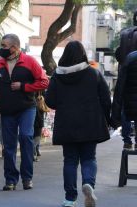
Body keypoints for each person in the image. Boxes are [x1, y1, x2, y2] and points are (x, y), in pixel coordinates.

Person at [45, 41, 111, 207]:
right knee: (89, 157)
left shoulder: (57, 76)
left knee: (70, 161)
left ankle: (70, 198)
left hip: (67, 124)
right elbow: (105, 98)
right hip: (90, 123)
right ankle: (88, 184)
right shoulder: (93, 74)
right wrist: (109, 119)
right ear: (82, 55)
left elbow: (50, 101)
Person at [0, 34, 49, 191]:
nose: (1, 48)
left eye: (4, 46)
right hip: (7, 111)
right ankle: (10, 180)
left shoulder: (29, 62)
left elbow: (44, 81)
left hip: (27, 108)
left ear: (14, 47)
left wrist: (23, 86)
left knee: (26, 137)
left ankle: (27, 178)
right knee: (9, 145)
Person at [112, 11, 137, 150]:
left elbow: (118, 54)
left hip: (127, 75)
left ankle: (127, 140)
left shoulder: (125, 34)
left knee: (126, 110)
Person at [33, 91, 49, 162]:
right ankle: (33, 154)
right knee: (36, 139)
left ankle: (35, 152)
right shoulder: (41, 108)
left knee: (35, 139)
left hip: (35, 124)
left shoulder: (36, 107)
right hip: (38, 125)